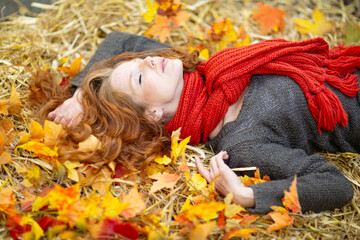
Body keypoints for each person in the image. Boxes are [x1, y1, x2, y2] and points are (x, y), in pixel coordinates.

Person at [43, 31, 360, 214]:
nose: (150, 58)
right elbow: (336, 186)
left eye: (140, 60)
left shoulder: (215, 74)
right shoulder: (241, 143)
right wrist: (247, 196)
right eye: (141, 75)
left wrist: (81, 94)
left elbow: (118, 42)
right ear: (151, 115)